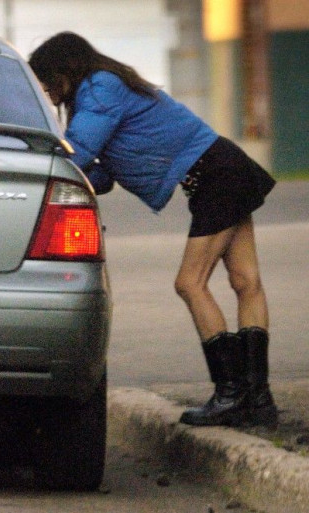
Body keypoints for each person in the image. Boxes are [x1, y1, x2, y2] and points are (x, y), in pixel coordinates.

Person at [29, 32, 278, 427]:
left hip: (216, 174)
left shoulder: (99, 88)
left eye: (45, 81)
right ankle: (257, 401)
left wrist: (36, 150)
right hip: (221, 169)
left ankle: (232, 394)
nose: (45, 90)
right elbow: (102, 172)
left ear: (65, 70)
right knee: (246, 282)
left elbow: (78, 150)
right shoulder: (100, 90)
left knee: (190, 283)